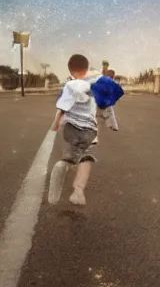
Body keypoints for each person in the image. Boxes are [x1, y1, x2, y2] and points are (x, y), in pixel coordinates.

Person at [48, 54, 99, 206]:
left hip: (70, 127)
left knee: (71, 153)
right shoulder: (93, 86)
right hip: (89, 128)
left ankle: (64, 163)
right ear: (87, 68)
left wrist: (56, 122)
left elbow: (63, 106)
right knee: (86, 156)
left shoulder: (68, 86)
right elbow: (105, 106)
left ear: (70, 70)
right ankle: (78, 190)